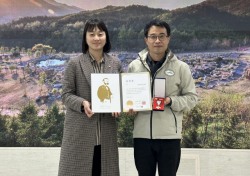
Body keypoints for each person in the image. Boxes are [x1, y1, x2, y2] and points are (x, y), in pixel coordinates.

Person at [127, 19, 198, 176]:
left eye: (161, 36)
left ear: (168, 38)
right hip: (142, 136)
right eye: (153, 36)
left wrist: (170, 101)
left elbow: (192, 98)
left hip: (169, 137)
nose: (157, 40)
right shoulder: (134, 66)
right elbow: (128, 97)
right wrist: (129, 107)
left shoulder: (181, 67)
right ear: (146, 39)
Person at [58, 18, 122, 176]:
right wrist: (82, 103)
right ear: (85, 38)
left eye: (100, 34)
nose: (96, 38)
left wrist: (119, 104)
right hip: (80, 133)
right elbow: (66, 94)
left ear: (106, 36)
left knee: (105, 171)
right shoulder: (75, 63)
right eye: (92, 34)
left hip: (106, 133)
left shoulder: (115, 63)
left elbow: (120, 92)